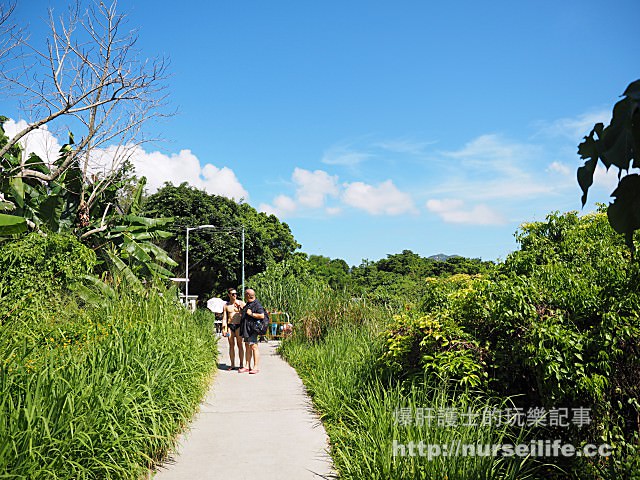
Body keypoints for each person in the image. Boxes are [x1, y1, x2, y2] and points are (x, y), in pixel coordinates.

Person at [239, 288, 265, 374]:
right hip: (247, 329)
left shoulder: (257, 304)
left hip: (252, 329)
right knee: (247, 346)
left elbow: (262, 316)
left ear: (248, 295)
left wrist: (251, 314)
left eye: (245, 294)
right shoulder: (248, 304)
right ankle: (247, 366)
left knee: (254, 346)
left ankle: (256, 367)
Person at [221, 287, 245, 370]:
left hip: (238, 325)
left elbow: (245, 314)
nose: (235, 295)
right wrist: (224, 329)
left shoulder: (241, 303)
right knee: (231, 345)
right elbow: (224, 318)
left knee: (240, 344)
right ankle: (232, 364)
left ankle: (241, 364)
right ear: (229, 295)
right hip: (230, 325)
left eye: (236, 294)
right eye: (233, 294)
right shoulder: (226, 305)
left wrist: (240, 308)